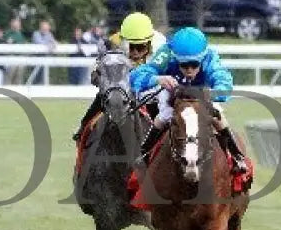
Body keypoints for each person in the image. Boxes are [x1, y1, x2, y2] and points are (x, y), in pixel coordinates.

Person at [130, 26, 248, 174]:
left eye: (194, 64)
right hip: (174, 93)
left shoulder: (210, 57)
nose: (189, 70)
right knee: (164, 116)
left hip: (202, 93)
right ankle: (144, 154)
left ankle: (237, 156)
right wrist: (157, 79)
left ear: (202, 58)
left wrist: (212, 94)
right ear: (175, 58)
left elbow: (224, 83)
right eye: (184, 65)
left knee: (218, 117)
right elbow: (135, 77)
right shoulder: (166, 54)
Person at [71, 12, 164, 141]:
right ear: (123, 41)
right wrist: (98, 76)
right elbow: (97, 72)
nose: (135, 52)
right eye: (131, 47)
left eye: (140, 47)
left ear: (150, 42)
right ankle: (83, 128)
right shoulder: (112, 43)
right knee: (103, 97)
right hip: (124, 87)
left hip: (150, 88)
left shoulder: (161, 46)